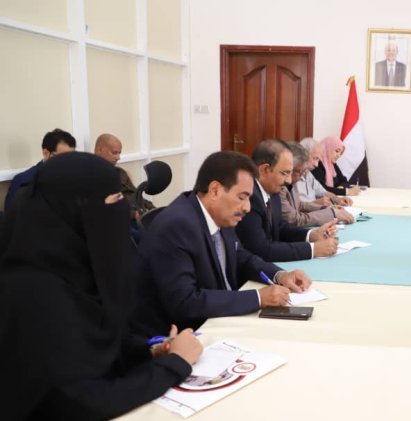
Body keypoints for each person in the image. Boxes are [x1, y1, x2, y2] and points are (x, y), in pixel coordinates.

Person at [0, 152, 202, 419]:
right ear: (76, 210)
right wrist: (174, 365)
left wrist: (151, 350)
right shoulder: (32, 292)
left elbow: (100, 344)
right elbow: (80, 402)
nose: (124, 209)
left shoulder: (78, 268)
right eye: (115, 200)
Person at [131, 151, 311, 337]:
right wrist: (258, 298)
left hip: (220, 319)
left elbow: (241, 257)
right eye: (242, 197)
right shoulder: (177, 225)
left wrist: (280, 275)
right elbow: (186, 301)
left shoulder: (219, 215)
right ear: (215, 190)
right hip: (183, 335)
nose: (247, 207)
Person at [236, 139, 339, 261]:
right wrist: (313, 249)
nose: (289, 180)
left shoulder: (272, 190)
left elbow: (280, 228)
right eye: (284, 173)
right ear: (265, 170)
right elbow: (261, 250)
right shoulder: (249, 197)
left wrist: (312, 235)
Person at [280, 141, 354, 226]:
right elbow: (295, 219)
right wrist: (331, 213)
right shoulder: (283, 184)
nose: (316, 165)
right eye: (315, 158)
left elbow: (299, 204)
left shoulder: (301, 174)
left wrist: (328, 208)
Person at [4, 128, 76, 212]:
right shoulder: (23, 181)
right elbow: (11, 216)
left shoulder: (75, 178)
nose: (67, 163)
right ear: (46, 153)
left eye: (71, 157)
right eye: (62, 157)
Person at [94, 133, 155, 217]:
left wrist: (152, 208)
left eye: (119, 153)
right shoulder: (91, 176)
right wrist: (134, 214)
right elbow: (102, 209)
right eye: (114, 153)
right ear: (100, 150)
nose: (118, 158)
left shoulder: (120, 172)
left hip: (138, 214)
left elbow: (136, 195)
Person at [297, 137, 352, 206]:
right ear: (303, 155)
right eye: (315, 158)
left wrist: (337, 199)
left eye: (318, 159)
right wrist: (314, 204)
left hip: (317, 211)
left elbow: (323, 192)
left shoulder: (308, 174)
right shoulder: (292, 178)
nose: (316, 165)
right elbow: (293, 208)